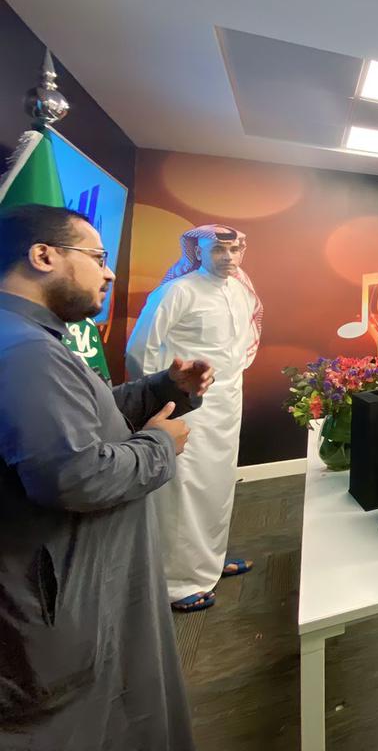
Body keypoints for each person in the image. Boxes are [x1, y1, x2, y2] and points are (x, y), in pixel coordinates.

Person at [0, 204, 214, 750]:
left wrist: (163, 389)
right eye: (97, 257)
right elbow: (75, 475)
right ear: (43, 255)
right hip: (60, 608)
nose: (110, 272)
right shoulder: (25, 351)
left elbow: (82, 420)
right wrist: (160, 446)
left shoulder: (29, 339)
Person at [127, 225, 263, 612]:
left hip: (227, 404)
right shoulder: (178, 291)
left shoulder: (241, 290)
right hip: (186, 406)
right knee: (184, 488)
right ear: (198, 252)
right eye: (218, 249)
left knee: (217, 484)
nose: (229, 257)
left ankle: (208, 561)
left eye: (235, 249)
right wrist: (155, 402)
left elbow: (239, 345)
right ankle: (176, 582)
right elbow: (140, 349)